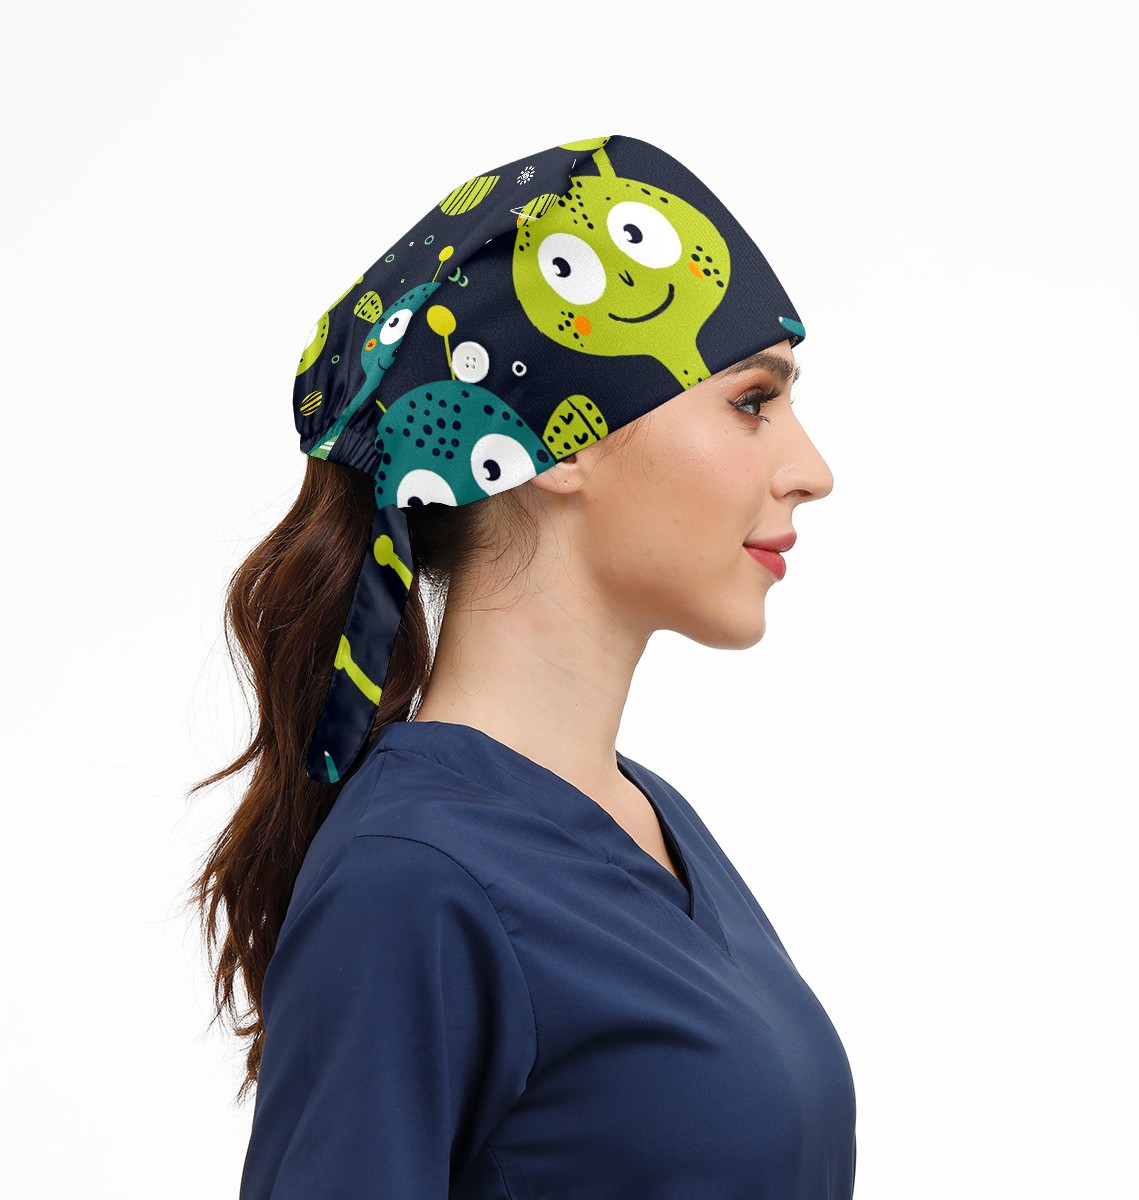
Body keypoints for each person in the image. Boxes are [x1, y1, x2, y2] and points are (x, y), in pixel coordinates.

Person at [190, 134, 857, 1198]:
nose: (810, 469)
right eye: (751, 401)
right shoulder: (412, 879)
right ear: (563, 436)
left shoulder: (648, 819)